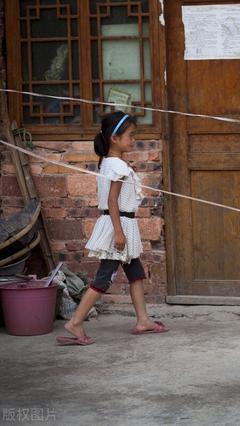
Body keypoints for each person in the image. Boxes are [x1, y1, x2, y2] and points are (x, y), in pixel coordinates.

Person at [56, 111, 168, 346]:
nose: (133, 139)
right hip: (118, 225)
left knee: (135, 273)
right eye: (130, 135)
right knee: (104, 278)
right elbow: (111, 202)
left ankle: (143, 319)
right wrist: (118, 232)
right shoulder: (116, 165)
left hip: (122, 223)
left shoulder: (111, 162)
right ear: (114, 138)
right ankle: (75, 321)